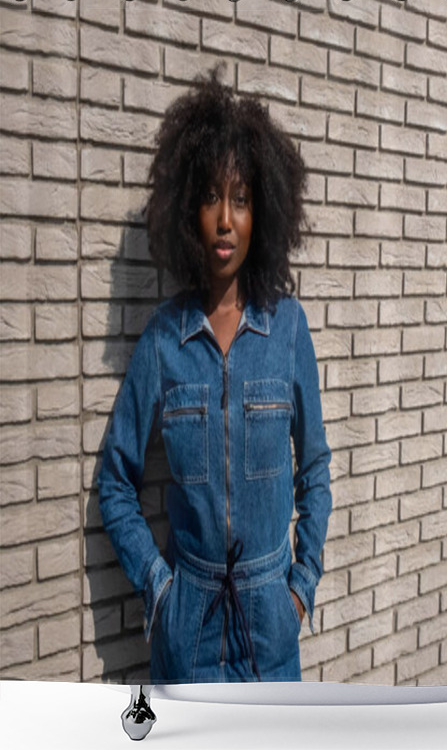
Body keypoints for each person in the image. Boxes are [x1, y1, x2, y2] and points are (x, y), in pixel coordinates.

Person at [96, 68, 332, 683]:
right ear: (187, 211)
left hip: (270, 630)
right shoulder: (163, 342)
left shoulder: (287, 331)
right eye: (209, 197)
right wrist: (159, 590)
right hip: (188, 634)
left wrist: (299, 589)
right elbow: (115, 482)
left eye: (242, 199)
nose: (224, 219)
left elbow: (315, 472)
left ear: (264, 212)